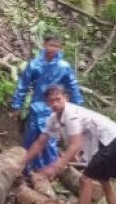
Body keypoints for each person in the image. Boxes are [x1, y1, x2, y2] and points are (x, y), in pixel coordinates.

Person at [22, 85, 116, 204]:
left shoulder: (71, 114)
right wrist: (22, 161)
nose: (55, 104)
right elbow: (41, 141)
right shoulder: (53, 119)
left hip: (110, 139)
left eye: (58, 99)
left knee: (86, 180)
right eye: (51, 101)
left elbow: (75, 145)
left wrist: (55, 167)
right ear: (47, 102)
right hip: (103, 140)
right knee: (105, 182)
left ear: (66, 98)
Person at [10, 35, 83, 172]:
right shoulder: (34, 64)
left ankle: (49, 172)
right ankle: (25, 171)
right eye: (50, 45)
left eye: (56, 46)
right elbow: (23, 85)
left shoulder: (64, 67)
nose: (52, 49)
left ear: (60, 48)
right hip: (35, 106)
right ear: (44, 45)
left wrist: (77, 104)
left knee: (49, 142)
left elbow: (72, 86)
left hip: (54, 108)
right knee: (31, 138)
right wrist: (17, 104)